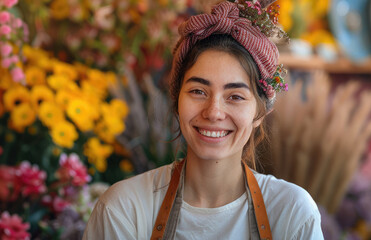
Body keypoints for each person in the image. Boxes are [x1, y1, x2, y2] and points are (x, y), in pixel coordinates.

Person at [83, 1, 323, 239]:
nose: (214, 112)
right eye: (198, 91)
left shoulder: (291, 213)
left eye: (235, 96)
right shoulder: (124, 209)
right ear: (176, 98)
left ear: (260, 113)